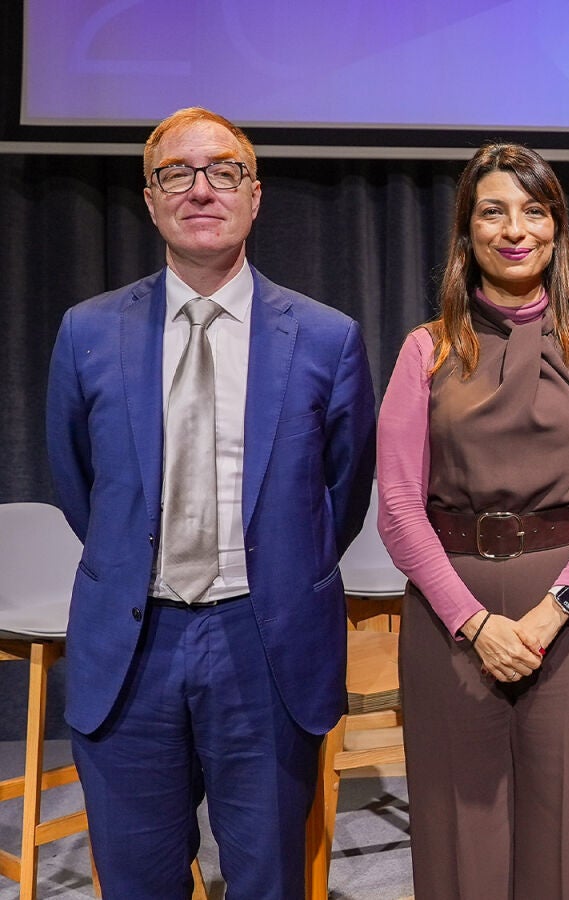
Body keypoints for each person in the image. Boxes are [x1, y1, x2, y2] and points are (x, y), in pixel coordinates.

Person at [45, 107, 376, 898]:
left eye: (224, 171)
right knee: (137, 880)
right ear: (150, 198)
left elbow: (343, 491)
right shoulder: (87, 331)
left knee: (267, 878)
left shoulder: (326, 338)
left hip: (264, 643)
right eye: (176, 174)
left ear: (254, 196)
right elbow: (79, 482)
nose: (201, 189)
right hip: (134, 644)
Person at [375, 142, 569, 899]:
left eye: (533, 211)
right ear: (467, 231)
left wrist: (555, 610)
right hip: (451, 617)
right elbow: (398, 509)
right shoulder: (425, 351)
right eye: (493, 212)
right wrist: (475, 624)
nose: (515, 229)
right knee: (460, 838)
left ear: (557, 228)